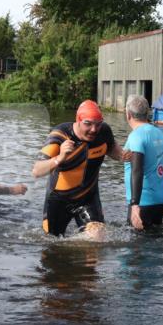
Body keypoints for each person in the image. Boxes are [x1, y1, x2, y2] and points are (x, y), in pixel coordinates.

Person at [32, 100, 127, 239]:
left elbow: (114, 151)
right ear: (78, 120)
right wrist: (61, 157)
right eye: (88, 124)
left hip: (88, 197)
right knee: (52, 244)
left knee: (98, 237)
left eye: (98, 124)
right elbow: (36, 171)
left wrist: (127, 156)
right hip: (59, 200)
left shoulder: (103, 132)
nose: (94, 129)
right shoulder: (60, 135)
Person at [124, 95, 163, 230]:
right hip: (161, 201)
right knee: (155, 241)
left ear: (128, 114)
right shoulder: (160, 134)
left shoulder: (136, 137)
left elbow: (137, 170)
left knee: (136, 245)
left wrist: (135, 204)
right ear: (147, 113)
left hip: (142, 202)